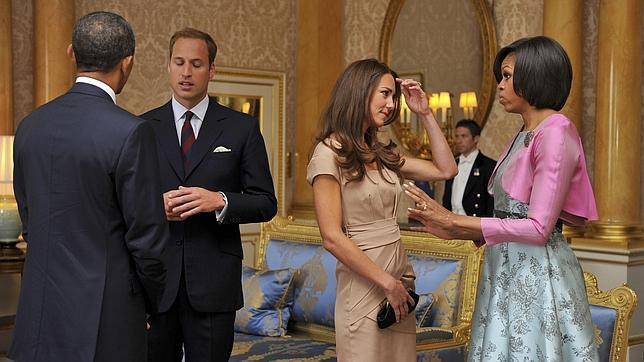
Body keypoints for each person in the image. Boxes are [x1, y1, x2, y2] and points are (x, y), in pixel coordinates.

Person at [405, 36, 599, 361]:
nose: (500, 85)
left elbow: (538, 227)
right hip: (505, 269)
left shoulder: (556, 132)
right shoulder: (524, 134)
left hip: (537, 275)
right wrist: (449, 228)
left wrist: (454, 219)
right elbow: (506, 217)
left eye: (507, 76)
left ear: (535, 75)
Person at [9, 11, 168, 362]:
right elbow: (148, 240)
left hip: (40, 311)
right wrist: (152, 302)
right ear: (127, 63)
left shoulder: (30, 126)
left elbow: (30, 219)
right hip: (105, 318)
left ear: (71, 54)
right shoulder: (131, 132)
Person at [307, 58, 457, 362]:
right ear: (358, 92)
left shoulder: (381, 153)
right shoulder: (327, 154)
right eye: (384, 94)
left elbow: (446, 168)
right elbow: (332, 238)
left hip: (399, 287)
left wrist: (425, 114)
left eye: (393, 97)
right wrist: (388, 284)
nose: (391, 104)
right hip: (366, 287)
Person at [141, 28, 277, 362]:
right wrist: (153, 206)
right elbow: (125, 201)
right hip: (157, 283)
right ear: (169, 66)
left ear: (212, 70)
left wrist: (220, 200)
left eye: (197, 64)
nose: (187, 72)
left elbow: (265, 202)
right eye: (180, 63)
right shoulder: (142, 128)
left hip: (215, 284)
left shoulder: (241, 128)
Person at [442, 119, 495, 217]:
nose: (459, 141)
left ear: (476, 139)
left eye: (464, 136)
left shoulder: (488, 166)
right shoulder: (451, 164)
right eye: (457, 136)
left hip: (475, 224)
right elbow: (446, 199)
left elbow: (491, 203)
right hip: (451, 222)